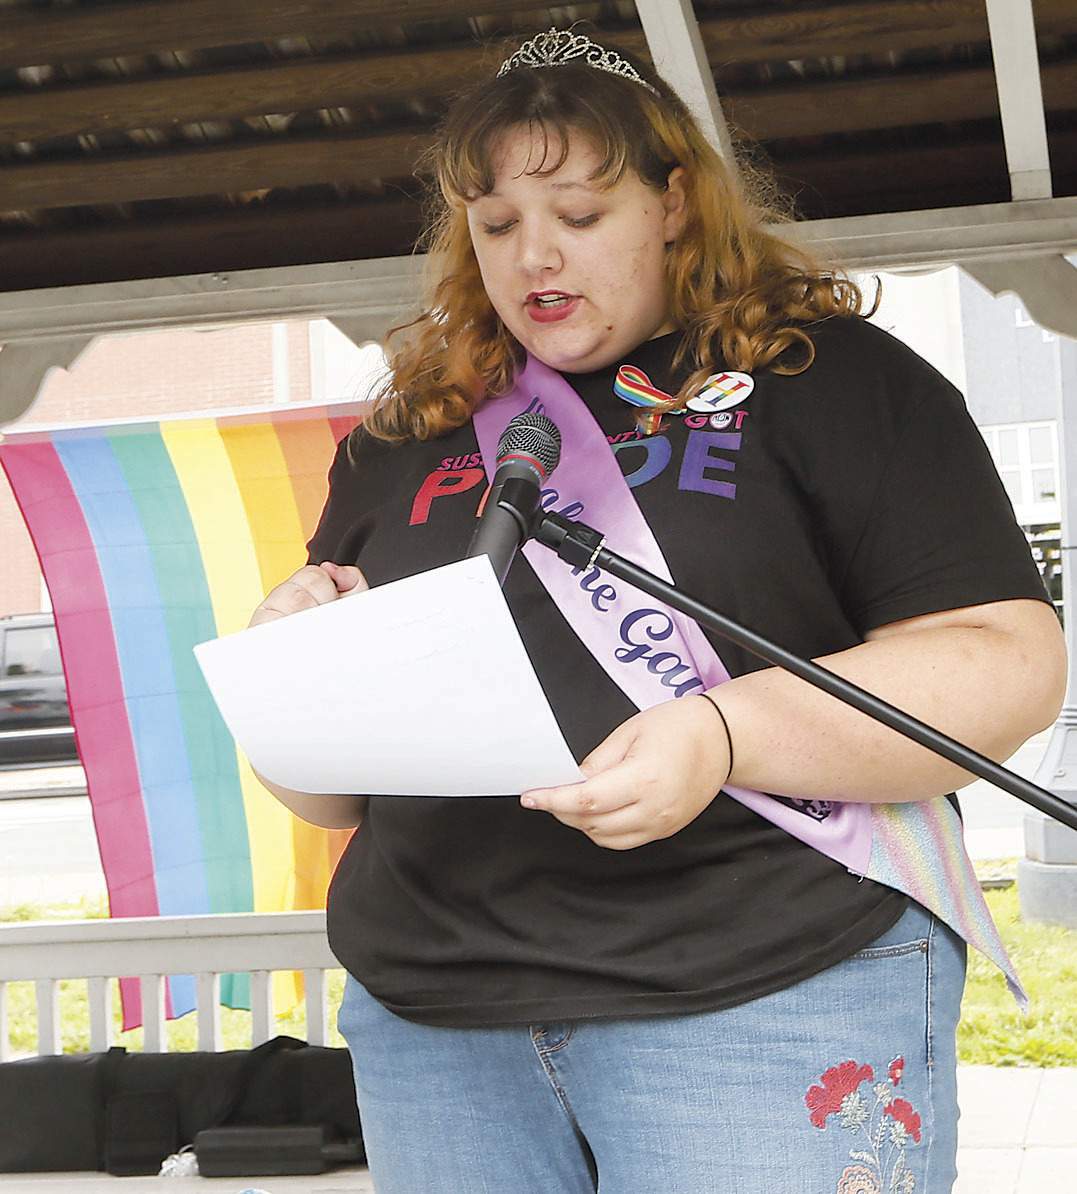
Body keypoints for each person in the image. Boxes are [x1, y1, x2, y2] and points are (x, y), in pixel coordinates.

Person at [249, 27, 1066, 1194]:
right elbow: (325, 793)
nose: (535, 258)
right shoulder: (403, 433)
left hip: (765, 990)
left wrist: (724, 734)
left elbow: (1005, 662)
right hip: (438, 1025)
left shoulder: (829, 380)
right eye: (496, 228)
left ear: (674, 203)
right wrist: (301, 669)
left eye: (579, 217)